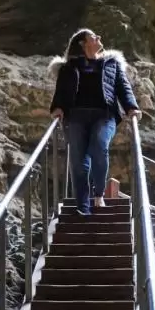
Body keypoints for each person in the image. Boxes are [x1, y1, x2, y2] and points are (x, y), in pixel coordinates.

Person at [49, 28, 142, 216]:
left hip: (104, 115)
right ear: (83, 44)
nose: (99, 37)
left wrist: (131, 107)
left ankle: (99, 194)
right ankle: (83, 208)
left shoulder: (112, 64)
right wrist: (57, 107)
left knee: (100, 146)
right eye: (93, 36)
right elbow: (61, 91)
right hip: (75, 116)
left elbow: (123, 87)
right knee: (79, 161)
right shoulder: (69, 67)